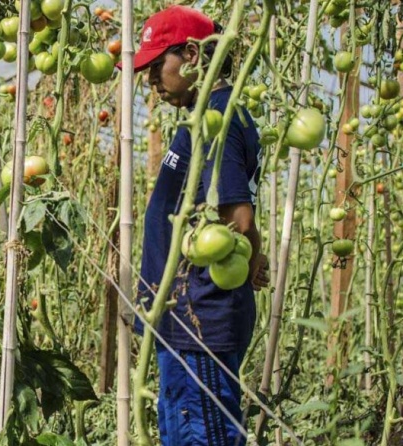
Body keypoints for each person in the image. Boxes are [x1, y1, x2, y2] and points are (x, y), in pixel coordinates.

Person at [125, 5, 270, 446]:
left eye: (156, 67)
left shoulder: (216, 120)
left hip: (198, 317)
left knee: (202, 434)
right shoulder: (203, 116)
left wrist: (249, 249)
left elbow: (237, 219)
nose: (151, 83)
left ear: (192, 54)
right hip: (186, 318)